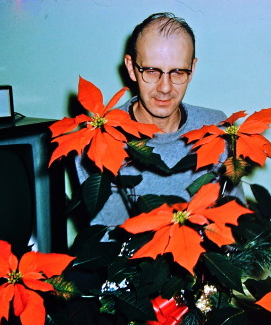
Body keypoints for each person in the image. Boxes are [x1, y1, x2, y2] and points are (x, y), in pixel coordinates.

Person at [74, 12, 242, 232]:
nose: (165, 87)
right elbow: (109, 244)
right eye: (152, 71)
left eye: (178, 72)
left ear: (192, 69)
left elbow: (236, 226)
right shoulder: (94, 141)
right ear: (131, 67)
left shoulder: (219, 126)